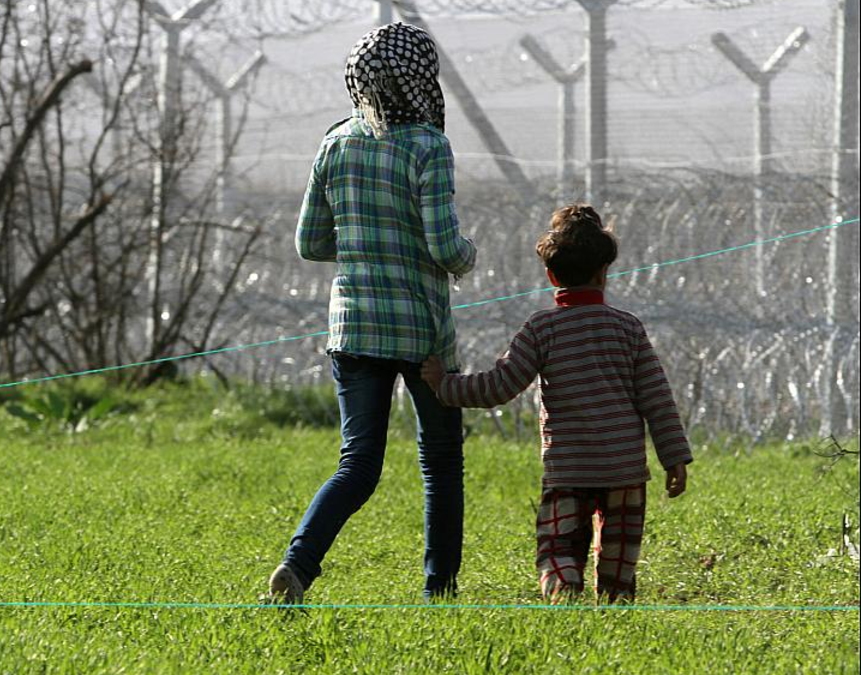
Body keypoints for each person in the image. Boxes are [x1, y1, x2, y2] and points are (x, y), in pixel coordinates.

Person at [267, 22, 477, 604]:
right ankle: (440, 590)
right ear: (421, 81)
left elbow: (310, 243)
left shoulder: (335, 142)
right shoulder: (429, 146)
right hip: (421, 331)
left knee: (357, 464)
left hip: (353, 325)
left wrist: (365, 244)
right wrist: (467, 258)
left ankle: (297, 566)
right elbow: (443, 244)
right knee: (439, 460)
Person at [420, 204, 692, 603]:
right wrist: (674, 457)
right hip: (624, 469)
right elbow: (657, 398)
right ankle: (615, 615)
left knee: (557, 550)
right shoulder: (628, 327)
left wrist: (445, 385)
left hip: (568, 468)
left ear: (550, 274)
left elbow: (500, 385)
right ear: (604, 272)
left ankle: (564, 595)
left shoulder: (541, 328)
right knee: (620, 562)